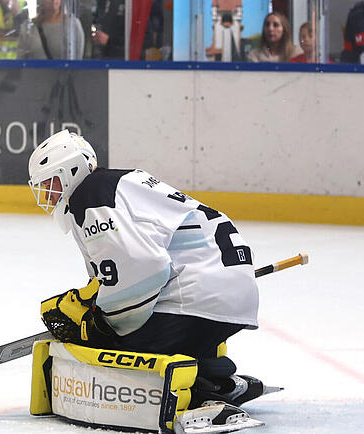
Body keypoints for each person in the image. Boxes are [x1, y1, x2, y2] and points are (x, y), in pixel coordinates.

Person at [29, 130, 263, 407]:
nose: (48, 194)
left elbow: (145, 269)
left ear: (73, 170)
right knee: (128, 323)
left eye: (52, 183)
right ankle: (215, 374)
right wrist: (94, 298)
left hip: (195, 300)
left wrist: (99, 323)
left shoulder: (90, 194)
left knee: (108, 347)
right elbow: (129, 266)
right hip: (226, 296)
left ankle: (200, 387)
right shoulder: (120, 183)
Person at [17, 0, 85, 60]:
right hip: (34, 72)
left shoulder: (72, 25)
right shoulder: (29, 27)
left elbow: (77, 59)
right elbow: (21, 57)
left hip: (62, 72)